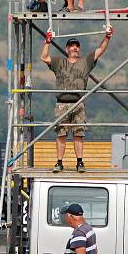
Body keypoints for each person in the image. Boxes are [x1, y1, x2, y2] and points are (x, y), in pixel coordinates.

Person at [41, 26, 113, 172]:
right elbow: (43, 57)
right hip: (62, 104)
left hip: (78, 104)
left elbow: (100, 50)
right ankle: (59, 162)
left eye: (77, 46)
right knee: (61, 134)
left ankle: (80, 162)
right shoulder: (59, 62)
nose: (74, 48)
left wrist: (107, 37)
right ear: (67, 49)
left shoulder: (85, 62)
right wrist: (47, 41)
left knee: (78, 134)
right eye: (71, 46)